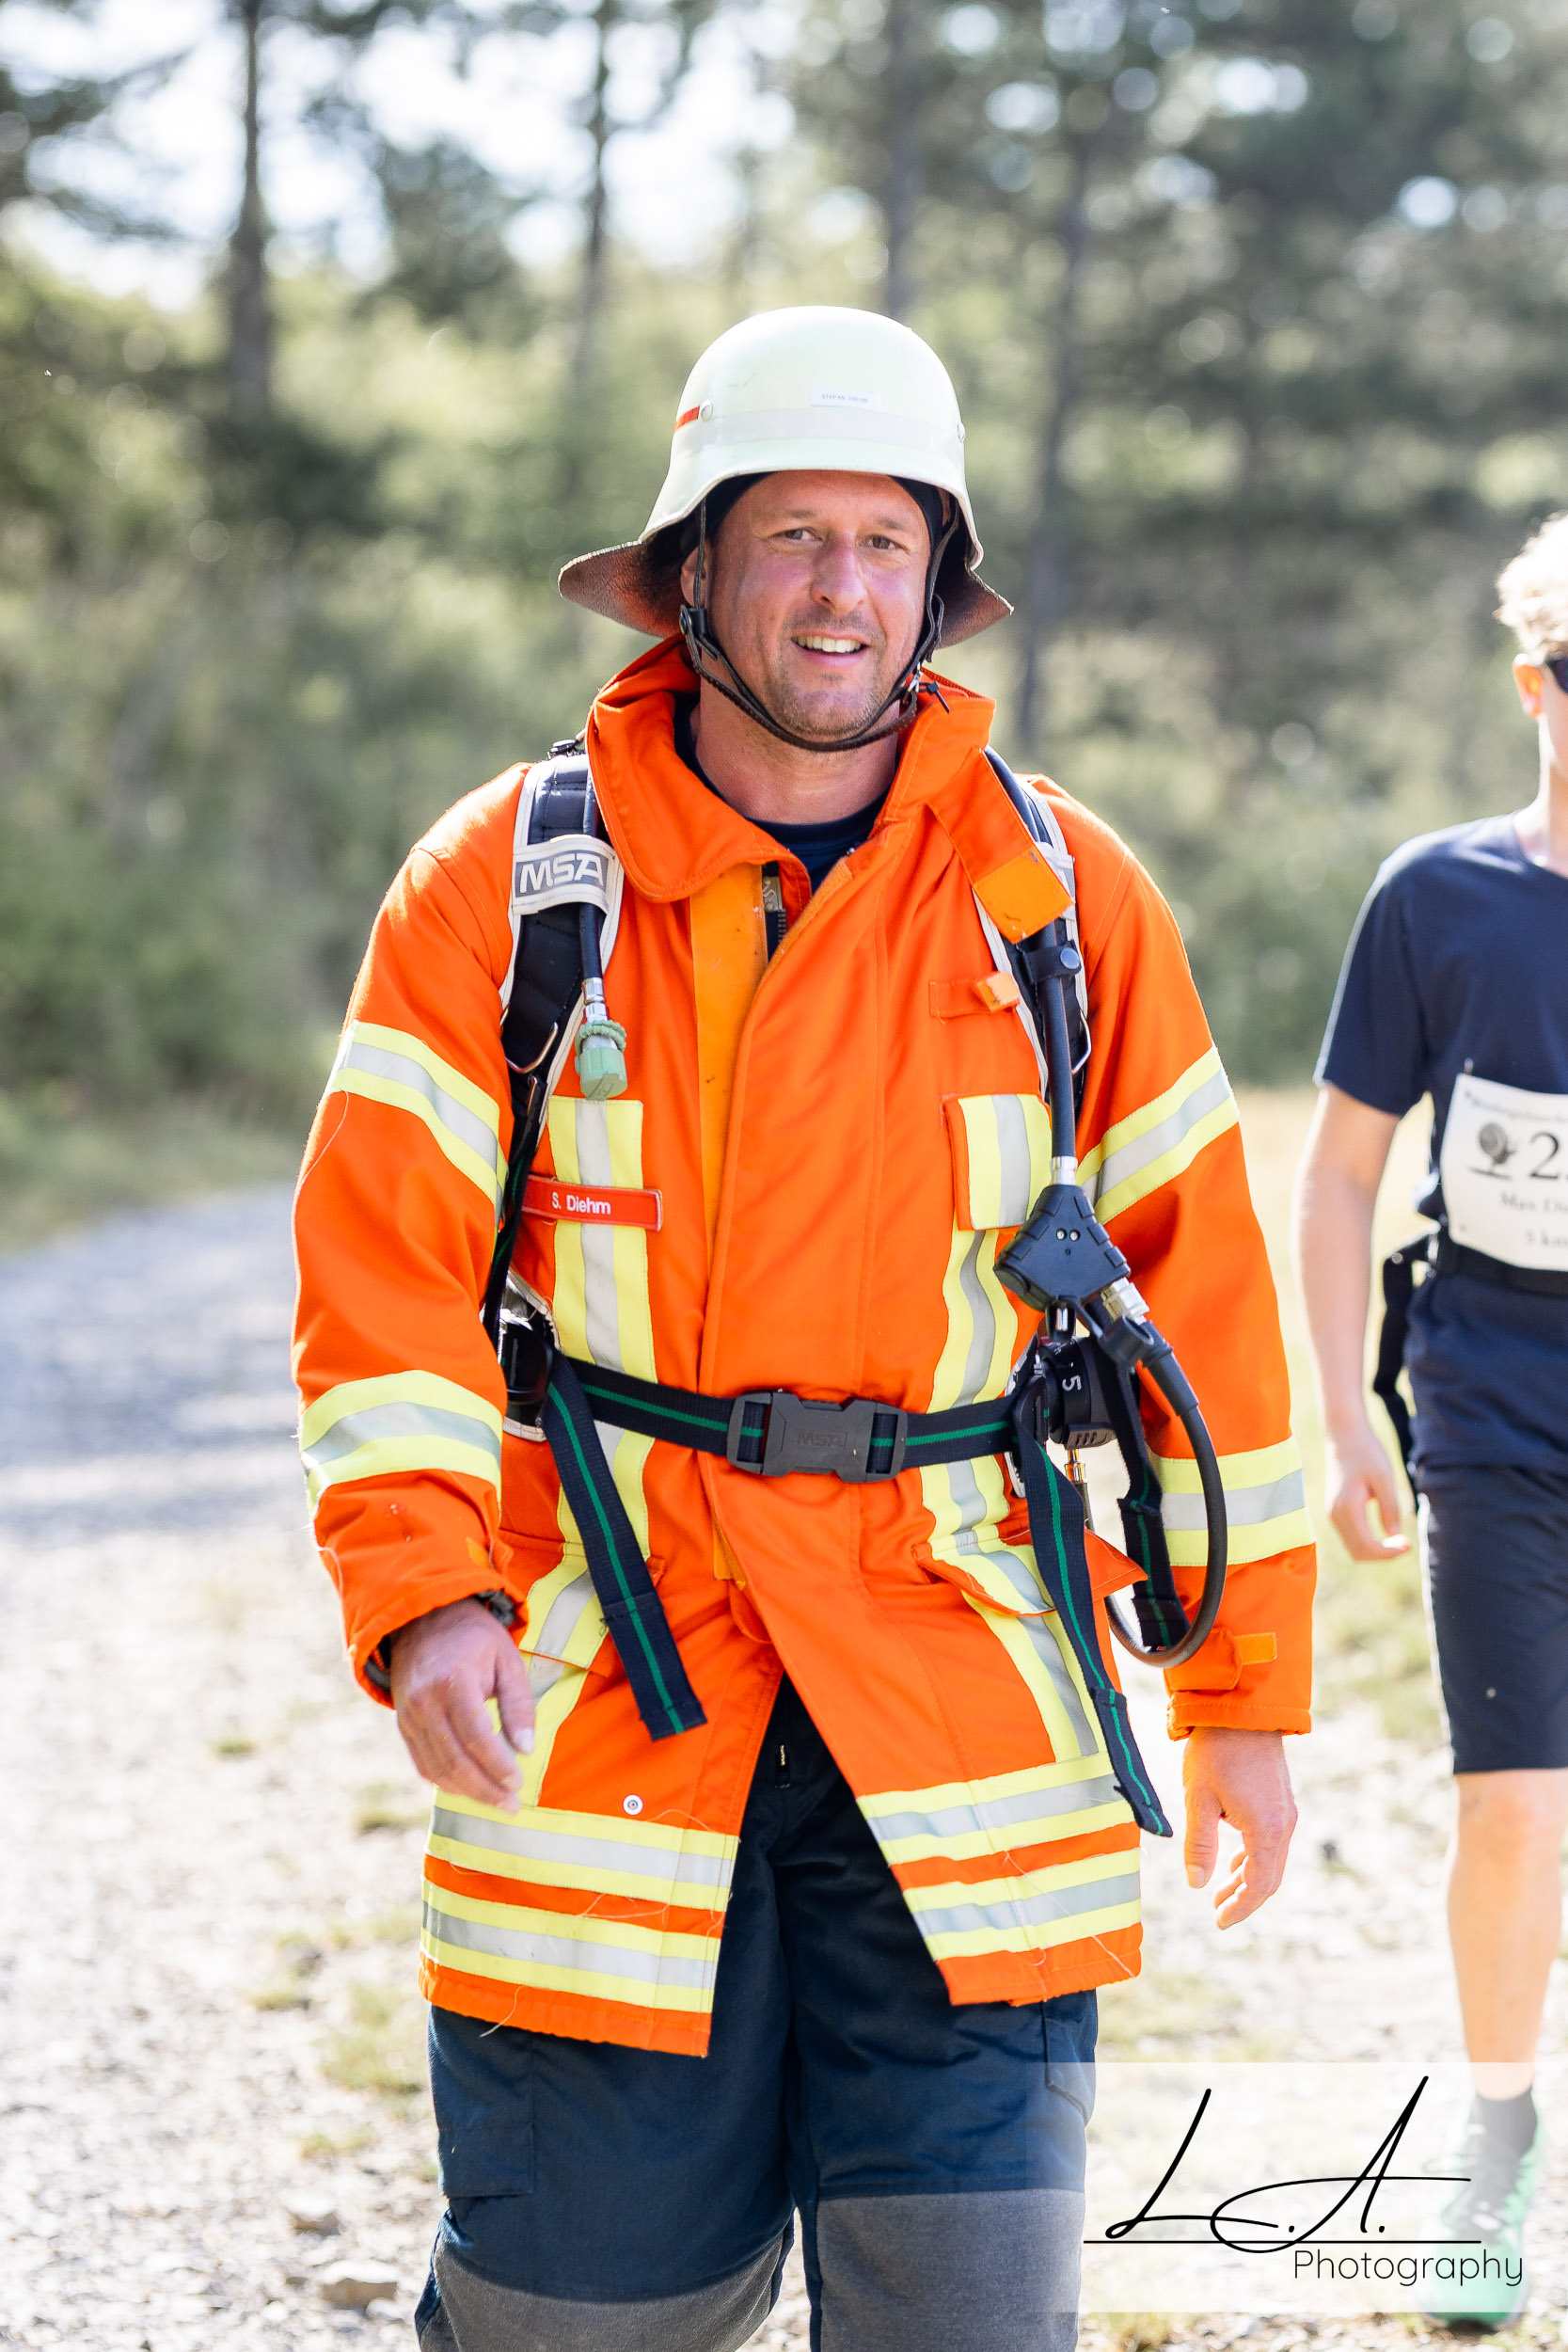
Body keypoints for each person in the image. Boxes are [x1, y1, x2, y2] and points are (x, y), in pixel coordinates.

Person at [292, 305, 1312, 2352]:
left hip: (961, 1693)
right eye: (792, 537)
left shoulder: (1058, 894)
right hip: (614, 1685)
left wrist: (1245, 1697)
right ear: (693, 570)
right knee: (578, 2323)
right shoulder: (508, 882)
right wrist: (426, 1594)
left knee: (967, 2320)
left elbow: (1202, 1299)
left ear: (937, 585)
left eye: (885, 542)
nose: (842, 589)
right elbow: (384, 1271)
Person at [1293, 512, 1568, 2329]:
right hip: (1493, 1406)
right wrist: (1348, 1420)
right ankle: (1495, 2137)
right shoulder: (1439, 898)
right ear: (1538, 684)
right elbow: (1336, 1179)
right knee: (1519, 1809)